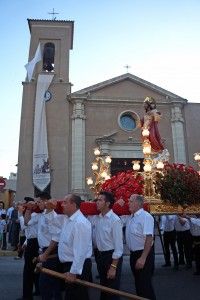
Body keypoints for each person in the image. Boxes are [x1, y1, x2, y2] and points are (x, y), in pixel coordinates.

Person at [42, 194, 92, 300]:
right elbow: (52, 224)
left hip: (78, 266)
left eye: (65, 202)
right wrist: (50, 208)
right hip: (69, 265)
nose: (62, 205)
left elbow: (80, 251)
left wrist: (73, 272)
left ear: (73, 205)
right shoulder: (66, 219)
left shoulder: (80, 223)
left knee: (77, 296)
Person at [94, 191, 123, 300]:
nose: (97, 202)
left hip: (111, 257)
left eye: (100, 200)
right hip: (100, 256)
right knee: (104, 288)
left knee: (112, 290)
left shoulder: (115, 220)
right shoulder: (97, 218)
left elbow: (119, 247)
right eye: (97, 200)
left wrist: (113, 267)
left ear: (107, 203)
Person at [125, 194, 156, 300]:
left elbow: (149, 238)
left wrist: (143, 258)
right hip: (134, 254)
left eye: (131, 201)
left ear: (138, 203)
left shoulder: (145, 216)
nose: (128, 203)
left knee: (145, 285)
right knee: (138, 284)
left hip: (143, 254)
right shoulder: (131, 217)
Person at [16, 197, 40, 300]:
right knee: (33, 269)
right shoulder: (34, 214)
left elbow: (25, 225)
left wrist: (21, 213)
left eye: (25, 204)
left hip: (34, 243)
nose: (23, 206)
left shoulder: (34, 214)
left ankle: (27, 296)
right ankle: (37, 290)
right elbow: (30, 232)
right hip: (32, 241)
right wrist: (26, 242)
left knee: (28, 271)